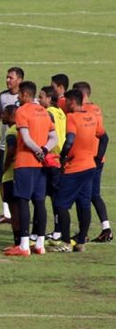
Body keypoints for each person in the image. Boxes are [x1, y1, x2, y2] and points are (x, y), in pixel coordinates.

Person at [5, 81, 57, 256]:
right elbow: (54, 138)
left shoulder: (22, 111)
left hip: (26, 162)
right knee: (40, 202)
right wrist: (44, 151)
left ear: (25, 95)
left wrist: (37, 151)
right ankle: (40, 244)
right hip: (40, 166)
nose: (18, 98)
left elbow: (26, 139)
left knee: (23, 201)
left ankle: (24, 245)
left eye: (19, 95)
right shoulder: (44, 112)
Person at [55, 89, 108, 253]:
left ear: (72, 101)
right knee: (84, 202)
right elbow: (104, 137)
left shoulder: (72, 117)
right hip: (90, 166)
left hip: (75, 167)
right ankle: (81, 242)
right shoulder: (92, 115)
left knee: (61, 203)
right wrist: (98, 158)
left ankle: (65, 241)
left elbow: (70, 140)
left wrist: (63, 156)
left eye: (67, 102)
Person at [73, 81, 112, 242]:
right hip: (99, 157)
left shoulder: (84, 111)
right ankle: (106, 228)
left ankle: (84, 233)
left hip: (88, 159)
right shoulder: (96, 108)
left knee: (83, 196)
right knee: (94, 194)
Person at [0, 67, 23, 225]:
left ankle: (19, 210)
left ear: (20, 80)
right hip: (5, 144)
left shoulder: (26, 98)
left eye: (11, 77)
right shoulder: (3, 96)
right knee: (2, 178)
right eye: (7, 77)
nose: (8, 80)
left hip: (22, 145)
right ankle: (6, 212)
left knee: (18, 179)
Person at [38, 86, 66, 241]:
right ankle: (58, 229)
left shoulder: (48, 113)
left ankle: (57, 231)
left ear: (49, 98)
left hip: (51, 159)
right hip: (59, 158)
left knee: (51, 197)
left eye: (41, 97)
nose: (38, 99)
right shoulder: (60, 112)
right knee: (55, 196)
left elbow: (47, 135)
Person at [0, 106, 24, 249]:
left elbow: (12, 150)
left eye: (4, 113)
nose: (2, 116)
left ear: (11, 115)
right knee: (20, 208)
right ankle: (25, 239)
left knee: (14, 210)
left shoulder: (11, 131)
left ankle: (18, 242)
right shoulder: (21, 129)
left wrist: (4, 167)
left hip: (11, 175)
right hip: (22, 174)